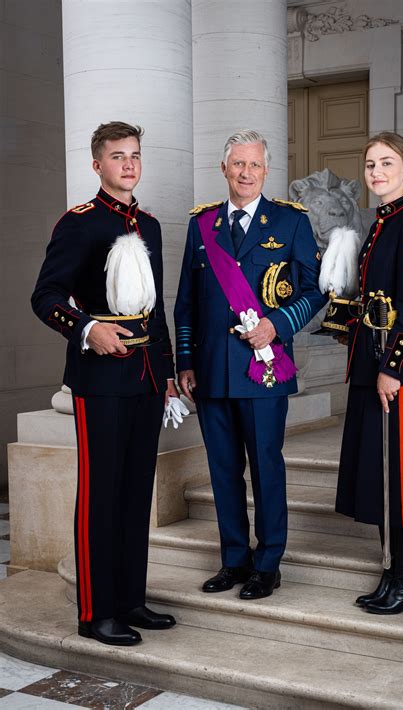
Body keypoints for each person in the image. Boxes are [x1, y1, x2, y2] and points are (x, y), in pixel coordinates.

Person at [32, 121, 179, 645]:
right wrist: (87, 330)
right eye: (118, 157)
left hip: (144, 379)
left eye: (135, 155)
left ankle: (130, 600)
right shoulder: (80, 223)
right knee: (101, 493)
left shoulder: (152, 225)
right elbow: (45, 298)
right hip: (99, 379)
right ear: (98, 165)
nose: (129, 165)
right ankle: (96, 612)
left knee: (137, 492)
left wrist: (165, 373)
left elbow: (156, 309)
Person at [174, 129, 326, 599]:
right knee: (222, 469)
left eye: (254, 165)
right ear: (224, 169)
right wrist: (184, 360)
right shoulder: (202, 226)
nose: (246, 172)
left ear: (266, 170)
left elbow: (315, 290)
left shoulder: (291, 222)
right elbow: (185, 302)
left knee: (265, 466)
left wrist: (277, 325)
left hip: (263, 368)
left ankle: (268, 563)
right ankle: (233, 560)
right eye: (238, 164)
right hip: (213, 370)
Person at [335, 131, 403, 614]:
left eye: (387, 163)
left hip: (398, 371)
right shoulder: (380, 224)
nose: (376, 171)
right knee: (380, 474)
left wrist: (392, 369)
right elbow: (375, 302)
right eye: (370, 164)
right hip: (371, 362)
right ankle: (392, 573)